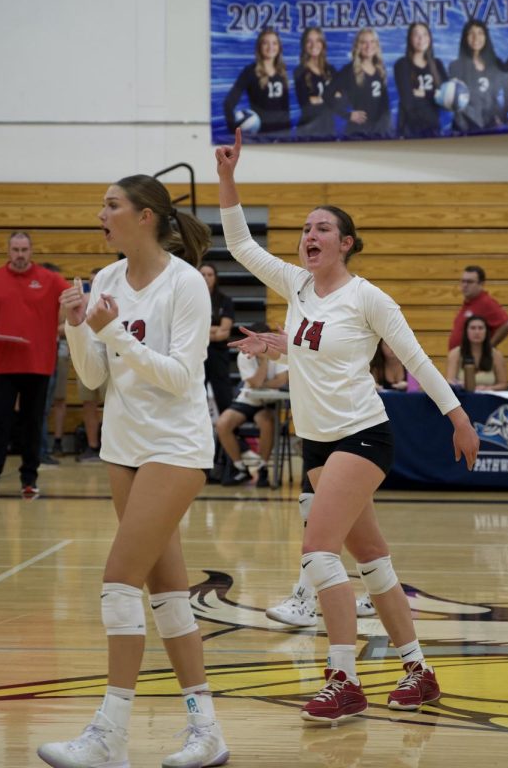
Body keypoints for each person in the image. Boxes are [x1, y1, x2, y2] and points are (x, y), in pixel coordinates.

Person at [216, 128, 480, 722]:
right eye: (306, 228)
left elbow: (415, 360)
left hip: (363, 436)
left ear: (346, 243)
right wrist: (229, 177)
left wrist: (459, 420)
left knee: (316, 552)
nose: (310, 236)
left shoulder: (369, 299)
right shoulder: (297, 284)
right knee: (376, 564)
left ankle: (344, 678)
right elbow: (239, 245)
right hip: (317, 439)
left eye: (322, 229)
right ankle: (419, 670)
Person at [37, 175, 227, 768]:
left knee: (119, 582)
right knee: (167, 595)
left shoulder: (186, 283)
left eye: (111, 205)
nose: (101, 213)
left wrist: (111, 330)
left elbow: (179, 375)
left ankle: (109, 735)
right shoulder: (109, 280)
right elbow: (95, 377)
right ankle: (208, 730)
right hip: (124, 449)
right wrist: (75, 323)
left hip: (175, 447)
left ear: (145, 217)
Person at [0, 231, 67, 500]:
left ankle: (29, 479)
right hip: (2, 364)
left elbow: (75, 299)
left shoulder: (49, 279)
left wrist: (67, 325)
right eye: (16, 249)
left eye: (24, 249)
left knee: (32, 423)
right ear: (8, 251)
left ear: (32, 251)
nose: (20, 254)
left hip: (38, 364)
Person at [216, 322, 288, 487]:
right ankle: (240, 468)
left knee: (266, 423)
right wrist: (263, 363)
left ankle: (262, 469)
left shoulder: (279, 353)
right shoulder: (244, 354)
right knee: (222, 424)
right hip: (248, 399)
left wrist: (262, 377)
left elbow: (281, 381)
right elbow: (254, 384)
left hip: (270, 401)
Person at [222, 27, 291, 139]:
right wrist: (233, 129)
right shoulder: (249, 71)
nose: (271, 47)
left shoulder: (282, 71)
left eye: (274, 43)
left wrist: (288, 136)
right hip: (260, 136)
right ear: (259, 46)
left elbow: (285, 109)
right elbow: (228, 103)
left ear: (279, 47)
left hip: (281, 135)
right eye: (265, 43)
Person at [327, 27, 392, 138]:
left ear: (377, 45)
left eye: (372, 41)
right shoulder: (349, 70)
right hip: (358, 132)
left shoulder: (380, 69)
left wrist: (387, 128)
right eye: (364, 42)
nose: (368, 46)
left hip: (379, 130)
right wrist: (347, 115)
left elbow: (385, 105)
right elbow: (327, 95)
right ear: (357, 45)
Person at [448, 19, 504, 133]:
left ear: (486, 37)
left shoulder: (497, 64)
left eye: (480, 33)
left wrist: (499, 118)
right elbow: (456, 105)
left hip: (492, 126)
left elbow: (497, 97)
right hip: (465, 128)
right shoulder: (455, 67)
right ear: (465, 37)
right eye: (471, 33)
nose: (476, 38)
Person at [38, 262, 69, 466]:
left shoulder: (57, 303)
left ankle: (41, 451)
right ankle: (39, 452)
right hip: (39, 359)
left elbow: (65, 326)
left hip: (52, 356)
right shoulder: (39, 303)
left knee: (46, 406)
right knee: (39, 407)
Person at [393, 22, 447, 138]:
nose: (421, 38)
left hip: (433, 129)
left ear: (430, 38)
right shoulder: (402, 65)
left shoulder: (437, 64)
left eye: (425, 34)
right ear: (410, 39)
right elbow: (408, 100)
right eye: (416, 35)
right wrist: (435, 95)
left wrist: (424, 93)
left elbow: (445, 101)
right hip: (409, 131)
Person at [75, 269, 104, 463]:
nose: (94, 284)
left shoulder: (109, 299)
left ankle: (111, 446)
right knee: (88, 404)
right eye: (91, 281)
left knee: (113, 403)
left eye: (97, 281)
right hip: (86, 356)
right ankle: (92, 446)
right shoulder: (82, 301)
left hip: (109, 357)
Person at [200, 263, 236, 419]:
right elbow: (189, 328)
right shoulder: (191, 298)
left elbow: (224, 331)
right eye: (203, 274)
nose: (206, 278)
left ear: (215, 278)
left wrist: (202, 331)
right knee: (197, 393)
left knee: (224, 396)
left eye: (210, 275)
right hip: (198, 352)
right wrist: (215, 330)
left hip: (218, 353)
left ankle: (228, 436)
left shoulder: (224, 300)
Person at [448, 265, 508, 350]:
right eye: (463, 281)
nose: (465, 285)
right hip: (459, 358)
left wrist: (489, 348)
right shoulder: (469, 302)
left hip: (473, 360)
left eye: (470, 282)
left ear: (481, 284)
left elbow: (507, 324)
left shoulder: (485, 302)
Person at [294, 27, 336, 138]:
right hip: (307, 130)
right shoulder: (299, 71)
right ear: (304, 44)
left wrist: (318, 99)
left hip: (328, 128)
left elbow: (341, 99)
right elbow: (304, 102)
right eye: (309, 41)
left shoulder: (331, 70)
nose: (314, 45)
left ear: (322, 44)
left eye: (318, 40)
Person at [446, 316, 508, 391]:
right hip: (463, 398)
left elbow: (503, 384)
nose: (477, 332)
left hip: (487, 398)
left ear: (486, 332)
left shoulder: (496, 355)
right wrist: (460, 384)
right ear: (466, 331)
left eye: (480, 328)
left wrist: (488, 388)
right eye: (473, 328)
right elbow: (449, 381)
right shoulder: (455, 354)